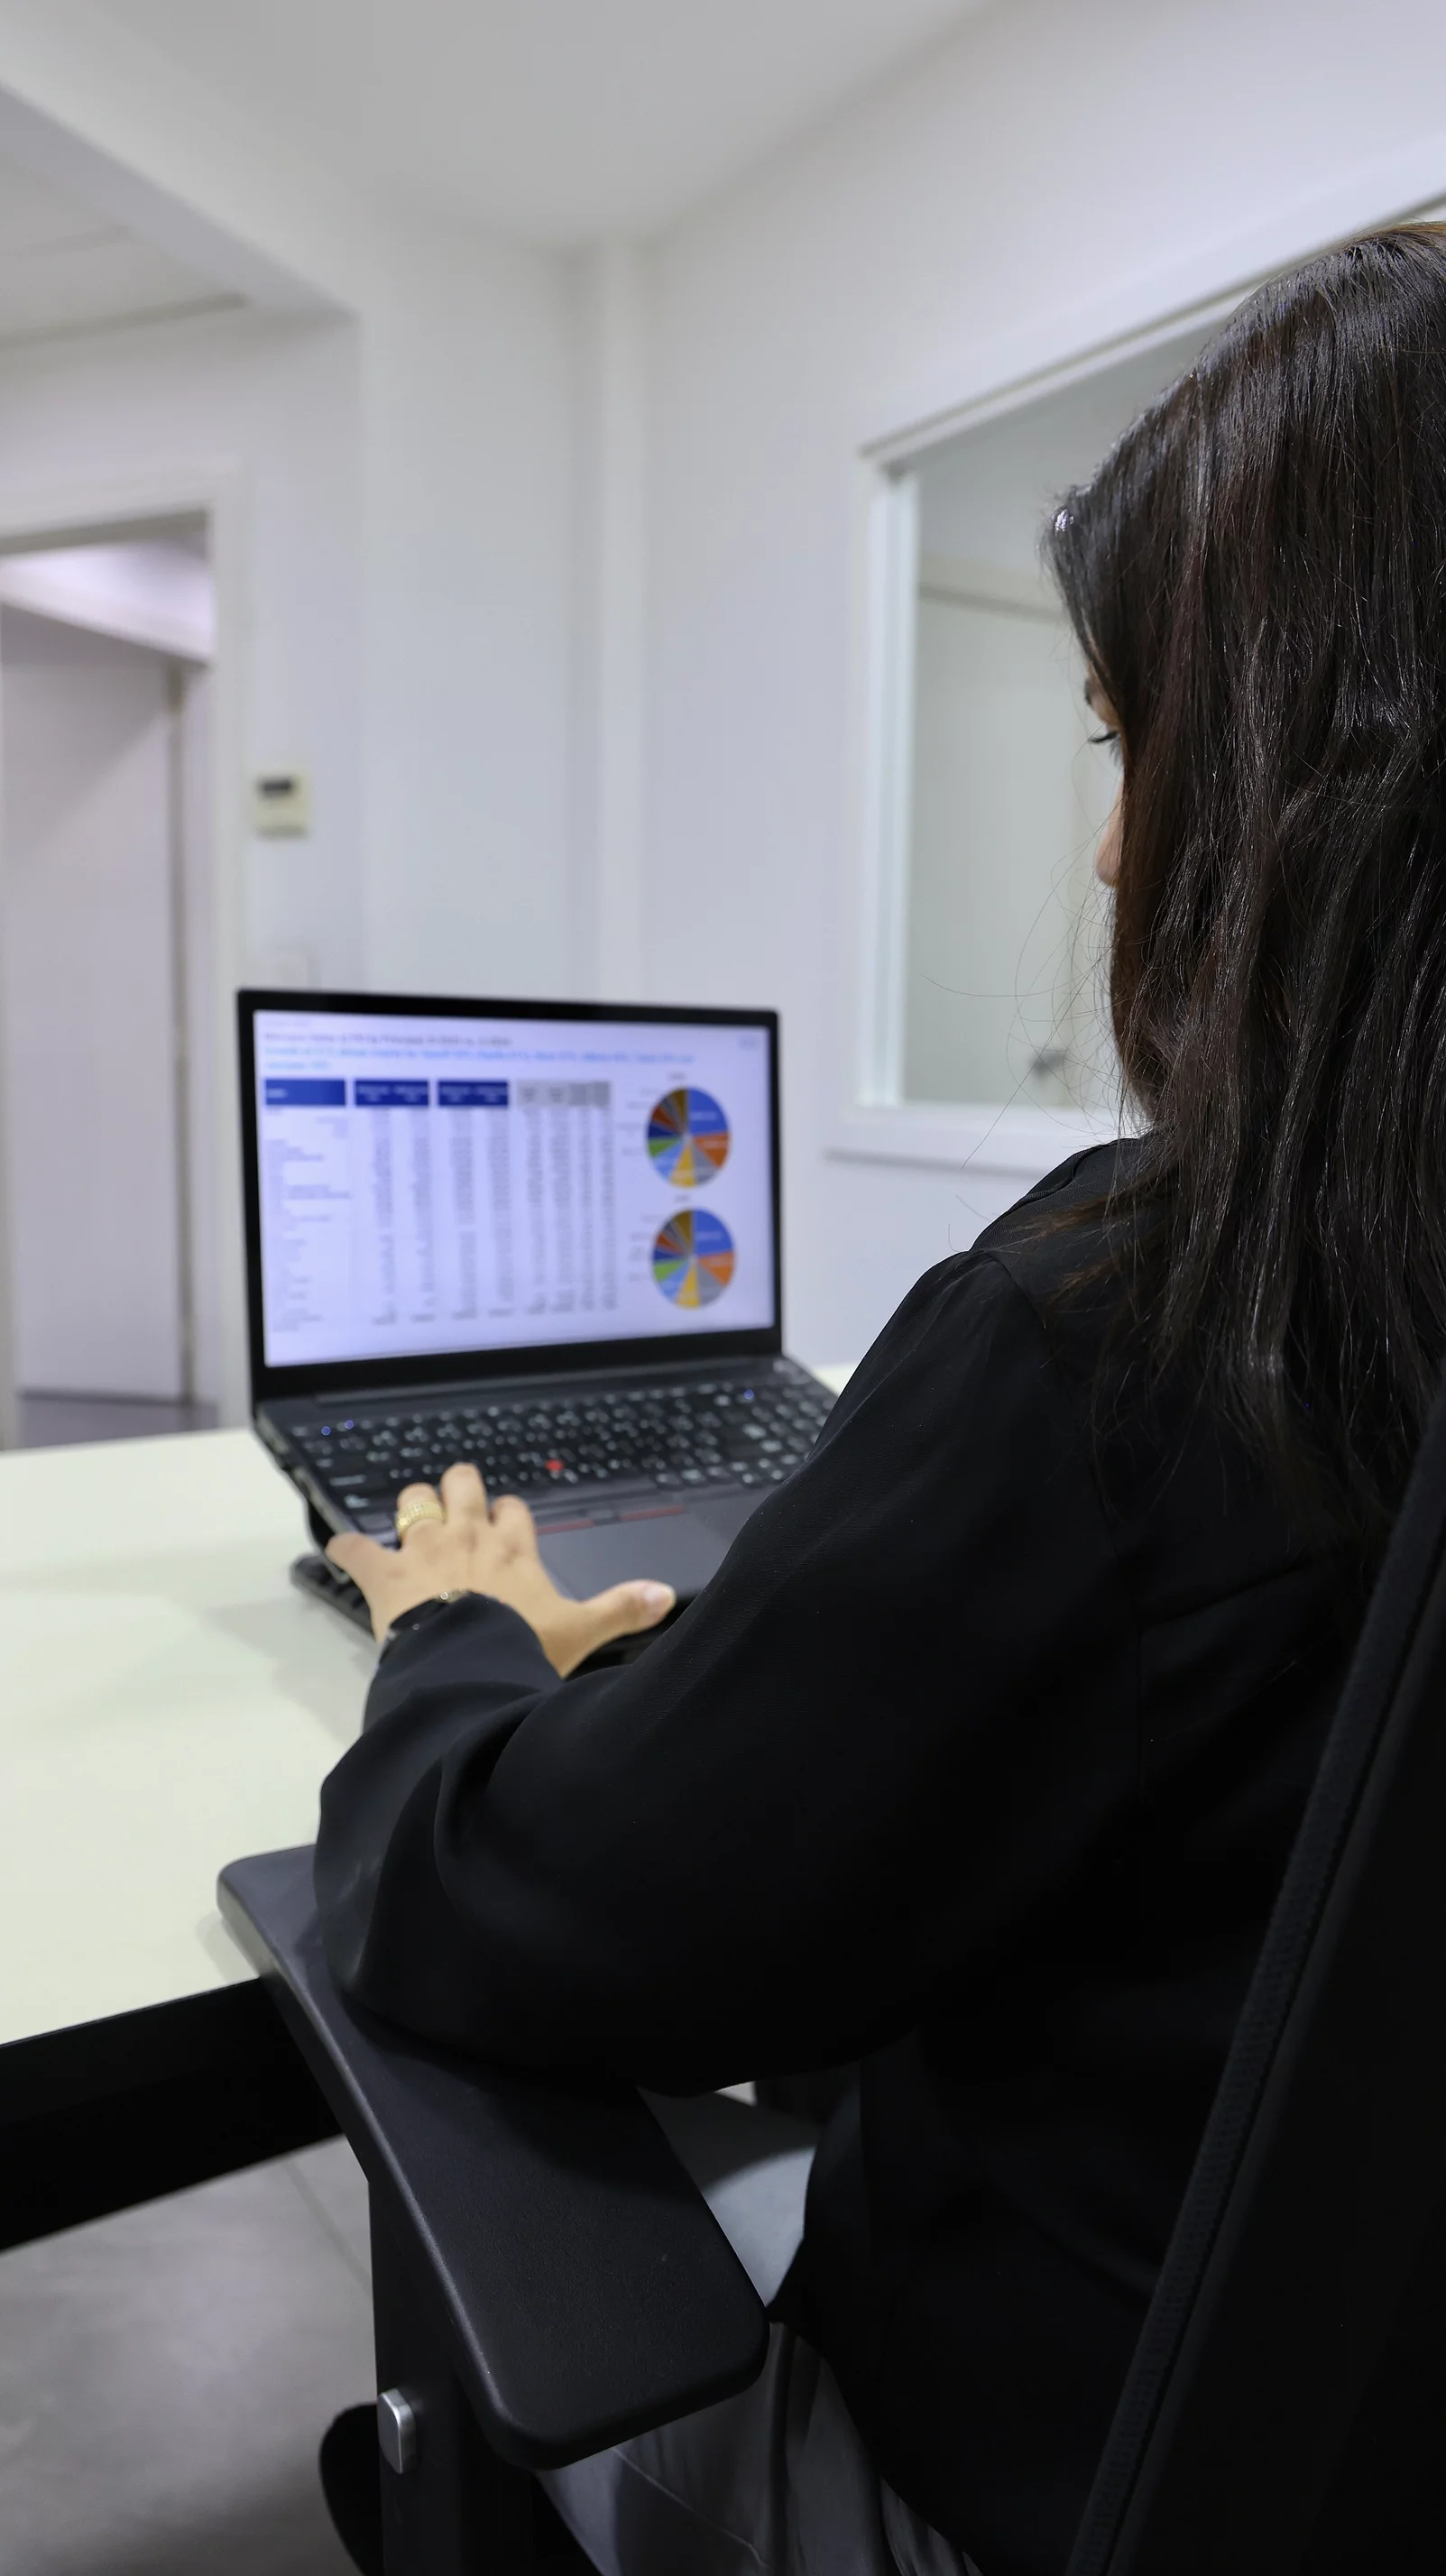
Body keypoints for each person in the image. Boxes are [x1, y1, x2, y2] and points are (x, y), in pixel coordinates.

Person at [312, 224, 1446, 2576]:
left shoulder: (1139, 1332)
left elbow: (513, 1912)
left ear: (1316, 771)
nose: (1117, 836)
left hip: (1021, 2482)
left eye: (1130, 736)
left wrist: (456, 1641)